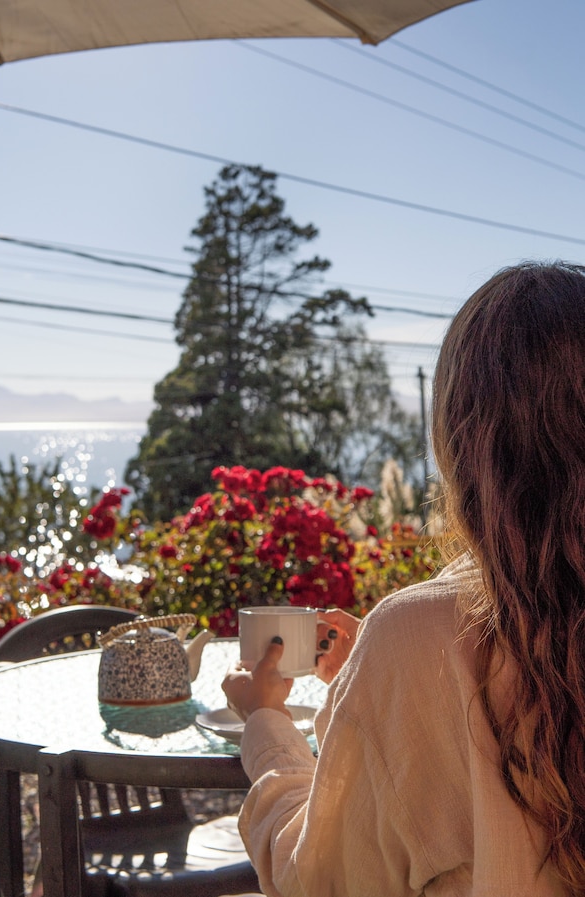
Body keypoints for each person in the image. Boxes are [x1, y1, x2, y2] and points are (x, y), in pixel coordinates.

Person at [222, 260, 585, 897]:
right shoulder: (424, 643)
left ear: (462, 442)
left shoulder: (426, 637)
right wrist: (376, 680)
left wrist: (266, 727)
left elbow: (317, 878)